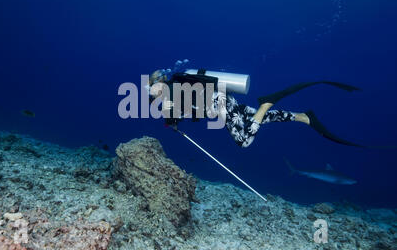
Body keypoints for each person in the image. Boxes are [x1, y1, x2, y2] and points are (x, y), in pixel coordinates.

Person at [148, 69, 363, 148]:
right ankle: (302, 117)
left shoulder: (169, 91)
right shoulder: (177, 82)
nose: (153, 94)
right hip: (224, 98)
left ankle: (266, 104)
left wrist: (171, 123)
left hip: (218, 104)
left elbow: (172, 114)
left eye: (152, 89)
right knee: (254, 118)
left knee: (244, 141)